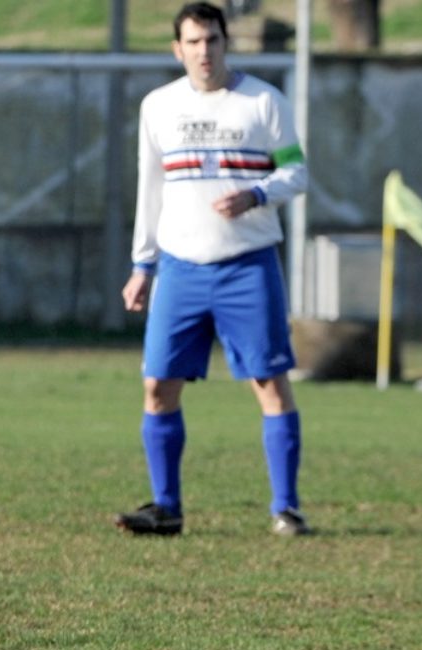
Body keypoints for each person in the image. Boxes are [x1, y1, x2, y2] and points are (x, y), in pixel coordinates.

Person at [117, 2, 311, 537]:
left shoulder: (263, 102)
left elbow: (296, 172)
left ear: (228, 44)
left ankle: (287, 507)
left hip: (247, 266)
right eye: (194, 42)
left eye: (213, 41)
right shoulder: (158, 106)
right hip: (180, 267)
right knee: (158, 386)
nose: (205, 52)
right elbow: (149, 190)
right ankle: (166, 507)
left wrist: (255, 193)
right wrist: (143, 265)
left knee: (269, 383)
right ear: (178, 49)